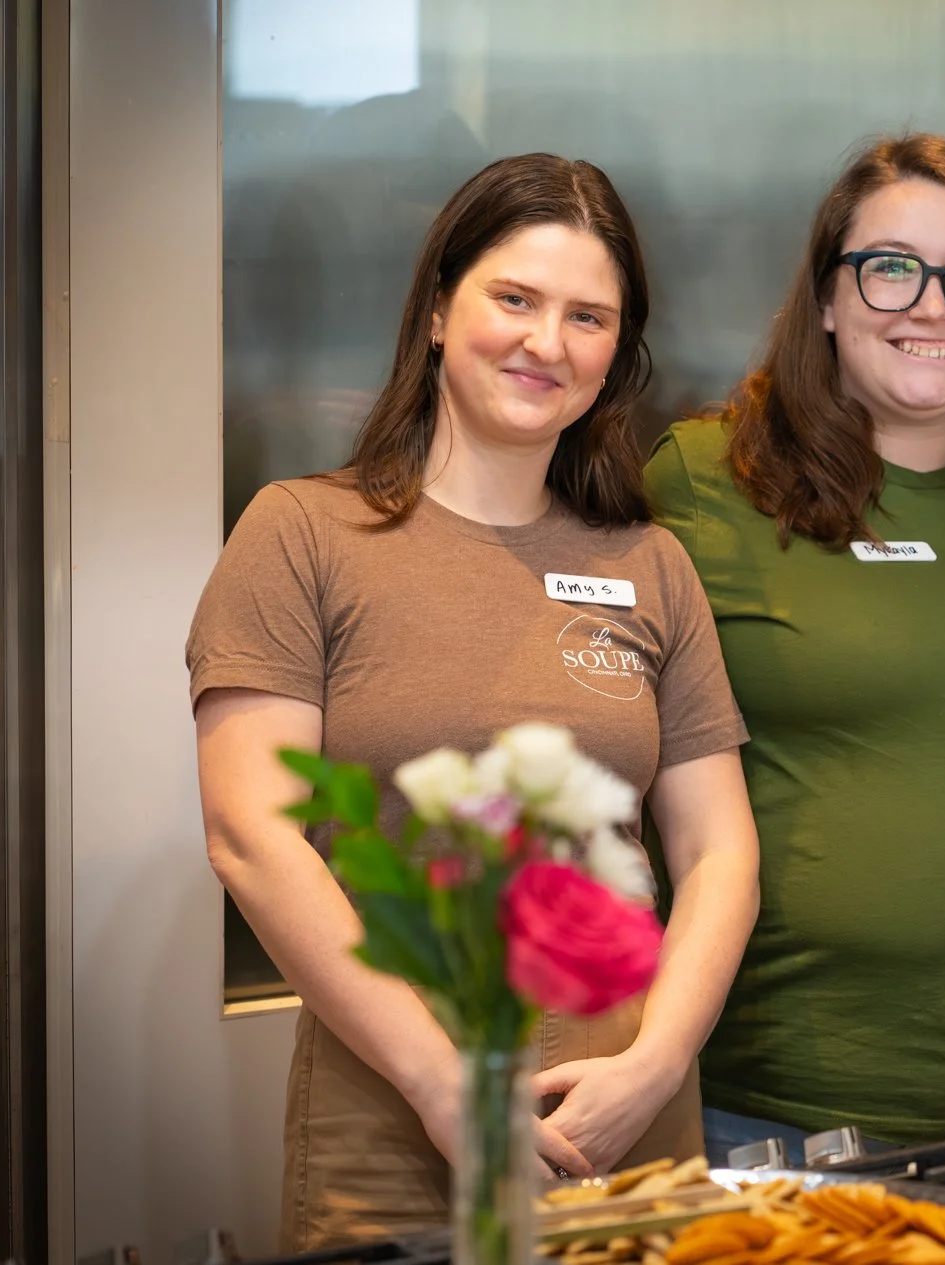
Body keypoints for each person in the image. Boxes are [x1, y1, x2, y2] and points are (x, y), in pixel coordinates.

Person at [187, 154, 759, 1248]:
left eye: (588, 317)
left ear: (614, 358)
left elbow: (721, 848)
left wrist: (659, 1058)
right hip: (397, 1099)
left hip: (625, 1100)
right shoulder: (302, 533)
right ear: (441, 309)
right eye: (516, 298)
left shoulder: (651, 563)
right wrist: (440, 1083)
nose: (548, 341)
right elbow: (251, 833)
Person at [643, 134, 945, 1161]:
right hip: (773, 1103)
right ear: (826, 295)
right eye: (892, 266)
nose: (936, 304)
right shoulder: (703, 480)